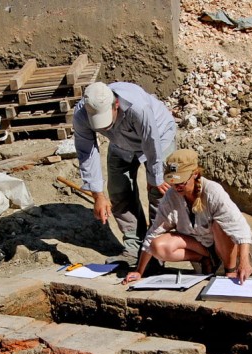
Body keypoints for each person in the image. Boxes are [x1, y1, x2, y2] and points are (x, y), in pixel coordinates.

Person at [73, 81, 177, 264]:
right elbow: (86, 153)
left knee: (159, 194)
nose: (104, 128)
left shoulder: (138, 107)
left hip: (159, 139)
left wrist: (155, 176)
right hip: (120, 143)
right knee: (118, 191)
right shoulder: (82, 113)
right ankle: (133, 247)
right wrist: (97, 194)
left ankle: (155, 249)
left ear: (116, 105)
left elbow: (150, 141)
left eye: (106, 119)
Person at [122, 149, 252, 285]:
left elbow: (240, 228)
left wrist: (245, 262)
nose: (177, 186)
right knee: (156, 245)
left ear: (195, 174)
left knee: (220, 224)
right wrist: (139, 271)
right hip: (200, 245)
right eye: (173, 182)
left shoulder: (213, 191)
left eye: (181, 182)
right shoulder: (171, 196)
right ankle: (205, 259)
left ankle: (230, 270)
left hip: (229, 248)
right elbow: (153, 232)